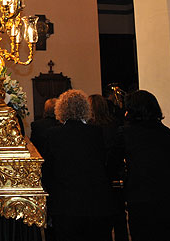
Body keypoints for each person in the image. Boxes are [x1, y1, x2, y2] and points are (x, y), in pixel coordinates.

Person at [108, 90, 170, 241]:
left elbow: (111, 166)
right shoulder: (167, 132)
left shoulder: (125, 133)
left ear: (130, 111)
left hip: (145, 200)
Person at [42, 89, 115, 241]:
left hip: (65, 204)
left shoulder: (52, 134)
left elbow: (48, 170)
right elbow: (103, 163)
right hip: (95, 203)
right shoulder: (96, 132)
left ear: (60, 110)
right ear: (85, 109)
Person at [88, 94, 128, 241]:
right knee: (119, 216)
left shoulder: (91, 128)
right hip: (115, 175)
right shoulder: (115, 123)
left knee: (102, 219)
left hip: (99, 176)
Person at [30, 97, 61, 241]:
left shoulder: (37, 125)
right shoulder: (60, 126)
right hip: (57, 167)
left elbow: (33, 147)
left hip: (43, 167)